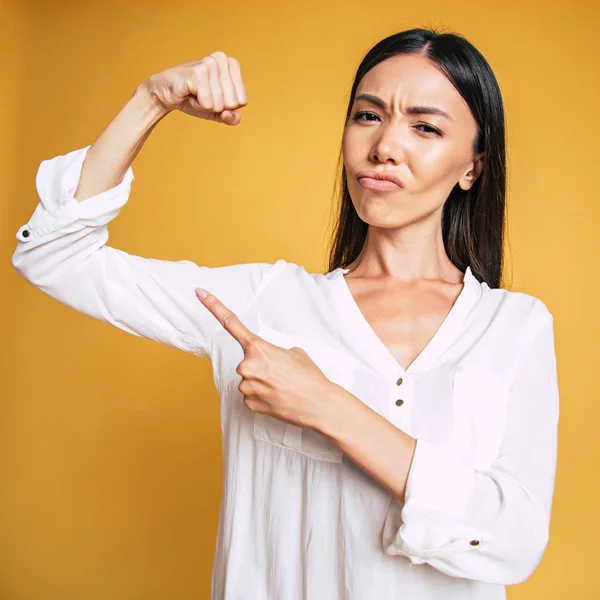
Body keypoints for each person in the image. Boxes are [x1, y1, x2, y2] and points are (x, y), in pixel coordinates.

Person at [11, 27, 559, 600]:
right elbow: (53, 255)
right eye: (368, 116)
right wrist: (151, 99)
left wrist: (327, 406)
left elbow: (514, 540)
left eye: (425, 127)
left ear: (472, 167)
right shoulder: (261, 305)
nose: (385, 148)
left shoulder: (513, 326)